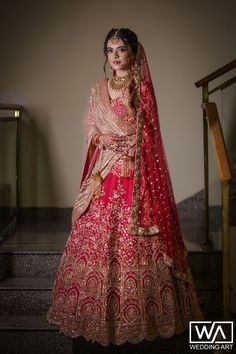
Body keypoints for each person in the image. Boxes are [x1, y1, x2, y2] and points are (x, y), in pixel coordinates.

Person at [47, 28, 203, 346]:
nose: (115, 55)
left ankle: (145, 316)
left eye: (121, 49)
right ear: (105, 55)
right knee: (96, 234)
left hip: (134, 172)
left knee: (140, 238)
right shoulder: (98, 88)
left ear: (133, 52)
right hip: (106, 171)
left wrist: (133, 150)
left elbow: (150, 133)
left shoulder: (140, 87)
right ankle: (95, 315)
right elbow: (90, 123)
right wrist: (100, 137)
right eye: (109, 50)